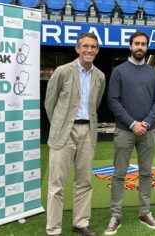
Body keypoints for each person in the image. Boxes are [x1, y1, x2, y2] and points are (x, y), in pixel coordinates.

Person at [44, 32, 106, 236]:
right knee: (56, 184)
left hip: (87, 131)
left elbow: (94, 105)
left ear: (97, 50)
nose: (89, 50)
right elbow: (49, 103)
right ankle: (53, 229)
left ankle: (80, 222)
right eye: (85, 46)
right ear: (77, 49)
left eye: (93, 47)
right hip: (64, 131)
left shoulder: (100, 76)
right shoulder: (63, 71)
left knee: (84, 181)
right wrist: (60, 125)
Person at [104, 31, 155, 235]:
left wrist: (146, 123)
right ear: (130, 46)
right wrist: (132, 124)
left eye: (144, 44)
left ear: (147, 47)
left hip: (148, 131)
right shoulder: (119, 71)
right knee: (119, 174)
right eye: (137, 43)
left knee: (146, 174)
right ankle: (115, 215)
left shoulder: (153, 73)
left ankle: (144, 212)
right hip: (125, 131)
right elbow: (113, 100)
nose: (140, 47)